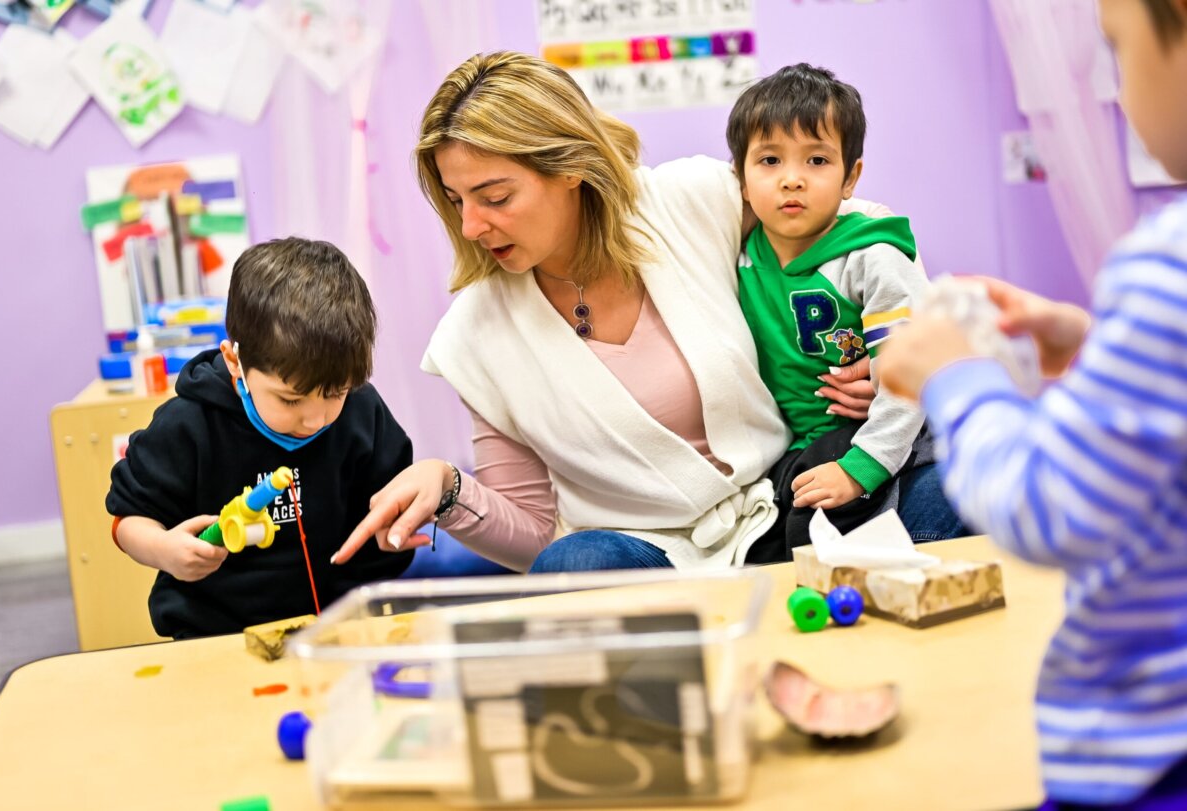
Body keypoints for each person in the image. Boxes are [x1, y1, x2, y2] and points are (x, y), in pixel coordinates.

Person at [332, 51, 963, 574]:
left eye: (495, 196)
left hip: (784, 498)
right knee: (572, 568)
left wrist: (881, 351)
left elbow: (838, 217)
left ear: (571, 166)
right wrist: (447, 489)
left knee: (954, 488)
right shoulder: (476, 336)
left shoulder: (686, 203)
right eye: (456, 200)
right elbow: (535, 537)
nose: (471, 225)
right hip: (649, 553)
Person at [878, 0, 1187, 806]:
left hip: (1151, 751)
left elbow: (1047, 510)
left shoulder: (1166, 266)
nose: (1117, 86)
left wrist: (955, 377)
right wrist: (1092, 339)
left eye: (1117, 50)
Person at [107, 238, 414, 639]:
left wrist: (395, 527)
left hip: (340, 628)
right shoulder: (187, 425)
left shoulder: (362, 410)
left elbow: (393, 495)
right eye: (290, 399)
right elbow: (127, 517)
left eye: (335, 393)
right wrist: (163, 550)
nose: (316, 418)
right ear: (235, 361)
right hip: (215, 635)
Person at [728, 63, 933, 562]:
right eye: (770, 160)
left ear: (850, 177)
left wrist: (861, 468)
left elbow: (910, 372)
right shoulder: (738, 257)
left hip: (882, 438)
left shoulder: (872, 259)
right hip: (792, 448)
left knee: (819, 538)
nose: (792, 180)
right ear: (740, 177)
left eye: (817, 160)